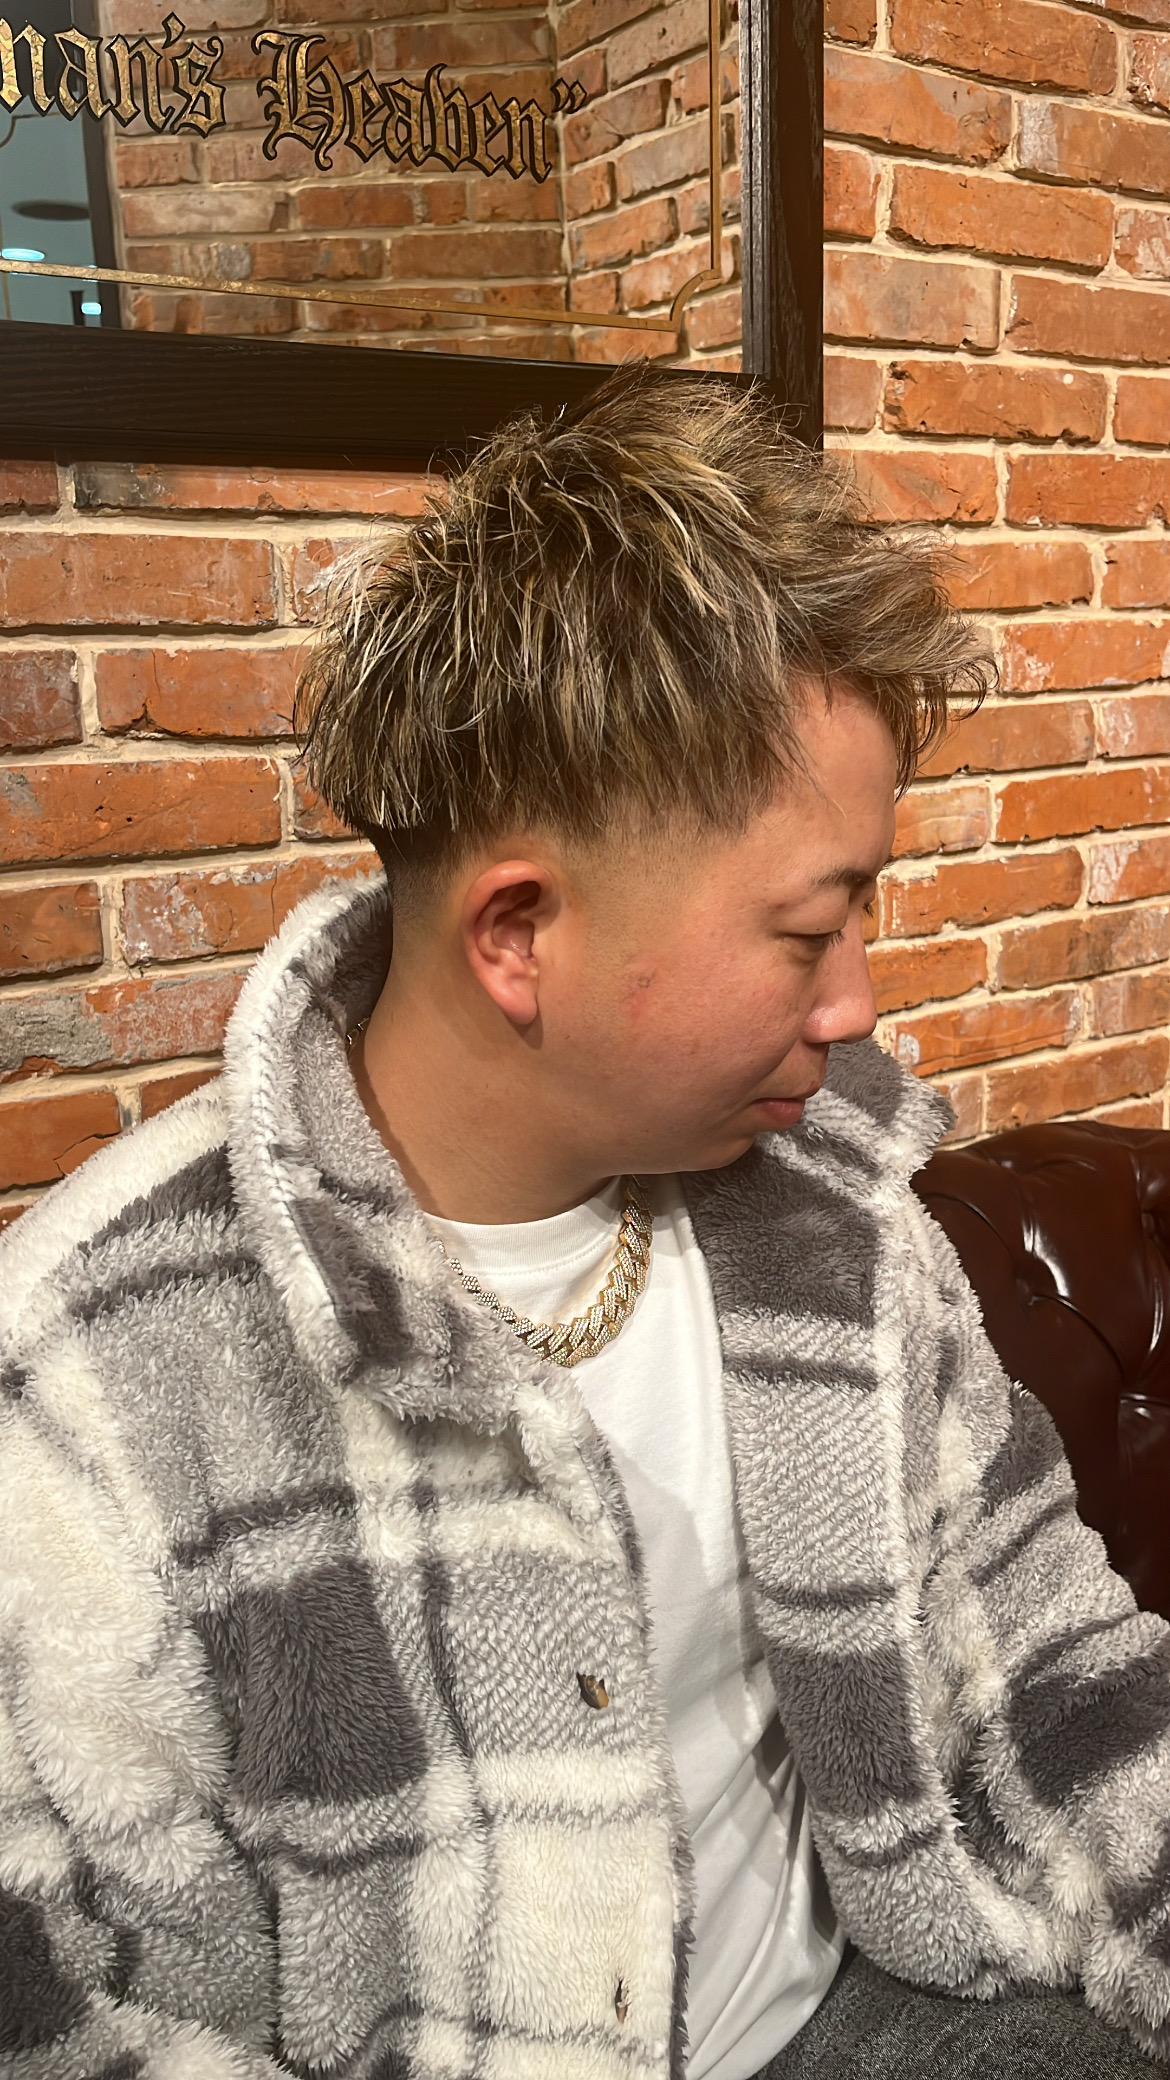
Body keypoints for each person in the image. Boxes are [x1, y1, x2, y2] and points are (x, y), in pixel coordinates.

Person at [1, 366, 1168, 2080]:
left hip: (882, 2010)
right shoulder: (90, 1381)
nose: (854, 1005)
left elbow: (1054, 1666)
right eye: (807, 931)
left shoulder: (835, 1211)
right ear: (516, 934)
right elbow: (70, 2007)